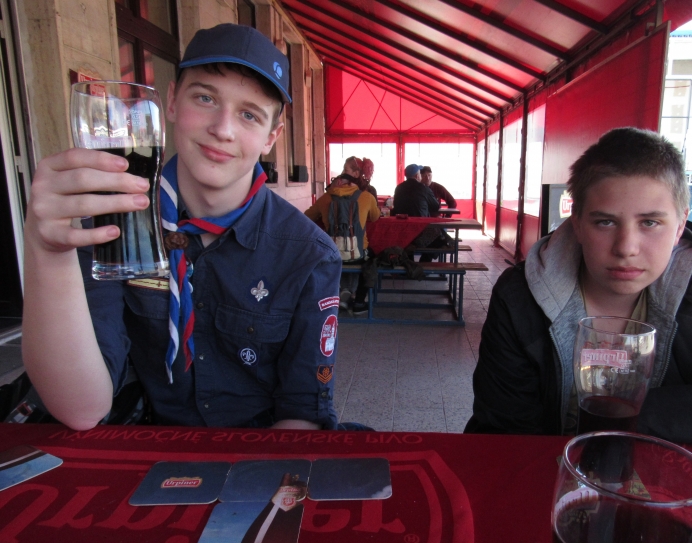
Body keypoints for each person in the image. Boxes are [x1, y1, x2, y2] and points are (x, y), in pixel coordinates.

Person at [22, 24, 344, 431]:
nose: (222, 129)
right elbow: (82, 409)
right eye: (205, 98)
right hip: (146, 447)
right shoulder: (114, 224)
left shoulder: (308, 252)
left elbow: (302, 414)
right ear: (172, 102)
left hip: (256, 453)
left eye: (249, 115)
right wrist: (48, 252)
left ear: (271, 137)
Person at [467, 127, 692, 452]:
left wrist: (632, 415)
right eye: (605, 222)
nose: (626, 247)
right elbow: (504, 434)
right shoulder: (520, 295)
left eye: (650, 223)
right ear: (577, 223)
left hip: (670, 479)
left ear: (680, 225)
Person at [305, 157, 380, 314]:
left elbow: (306, 218)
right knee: (372, 259)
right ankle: (358, 301)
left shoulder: (326, 198)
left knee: (339, 256)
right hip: (358, 254)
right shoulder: (367, 197)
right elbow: (375, 217)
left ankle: (340, 294)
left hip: (331, 254)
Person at [393, 164, 451, 262]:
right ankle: (424, 262)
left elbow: (396, 207)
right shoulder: (424, 189)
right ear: (417, 176)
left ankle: (409, 261)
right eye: (420, 173)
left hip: (402, 231)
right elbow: (436, 207)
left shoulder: (398, 188)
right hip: (420, 232)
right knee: (441, 239)